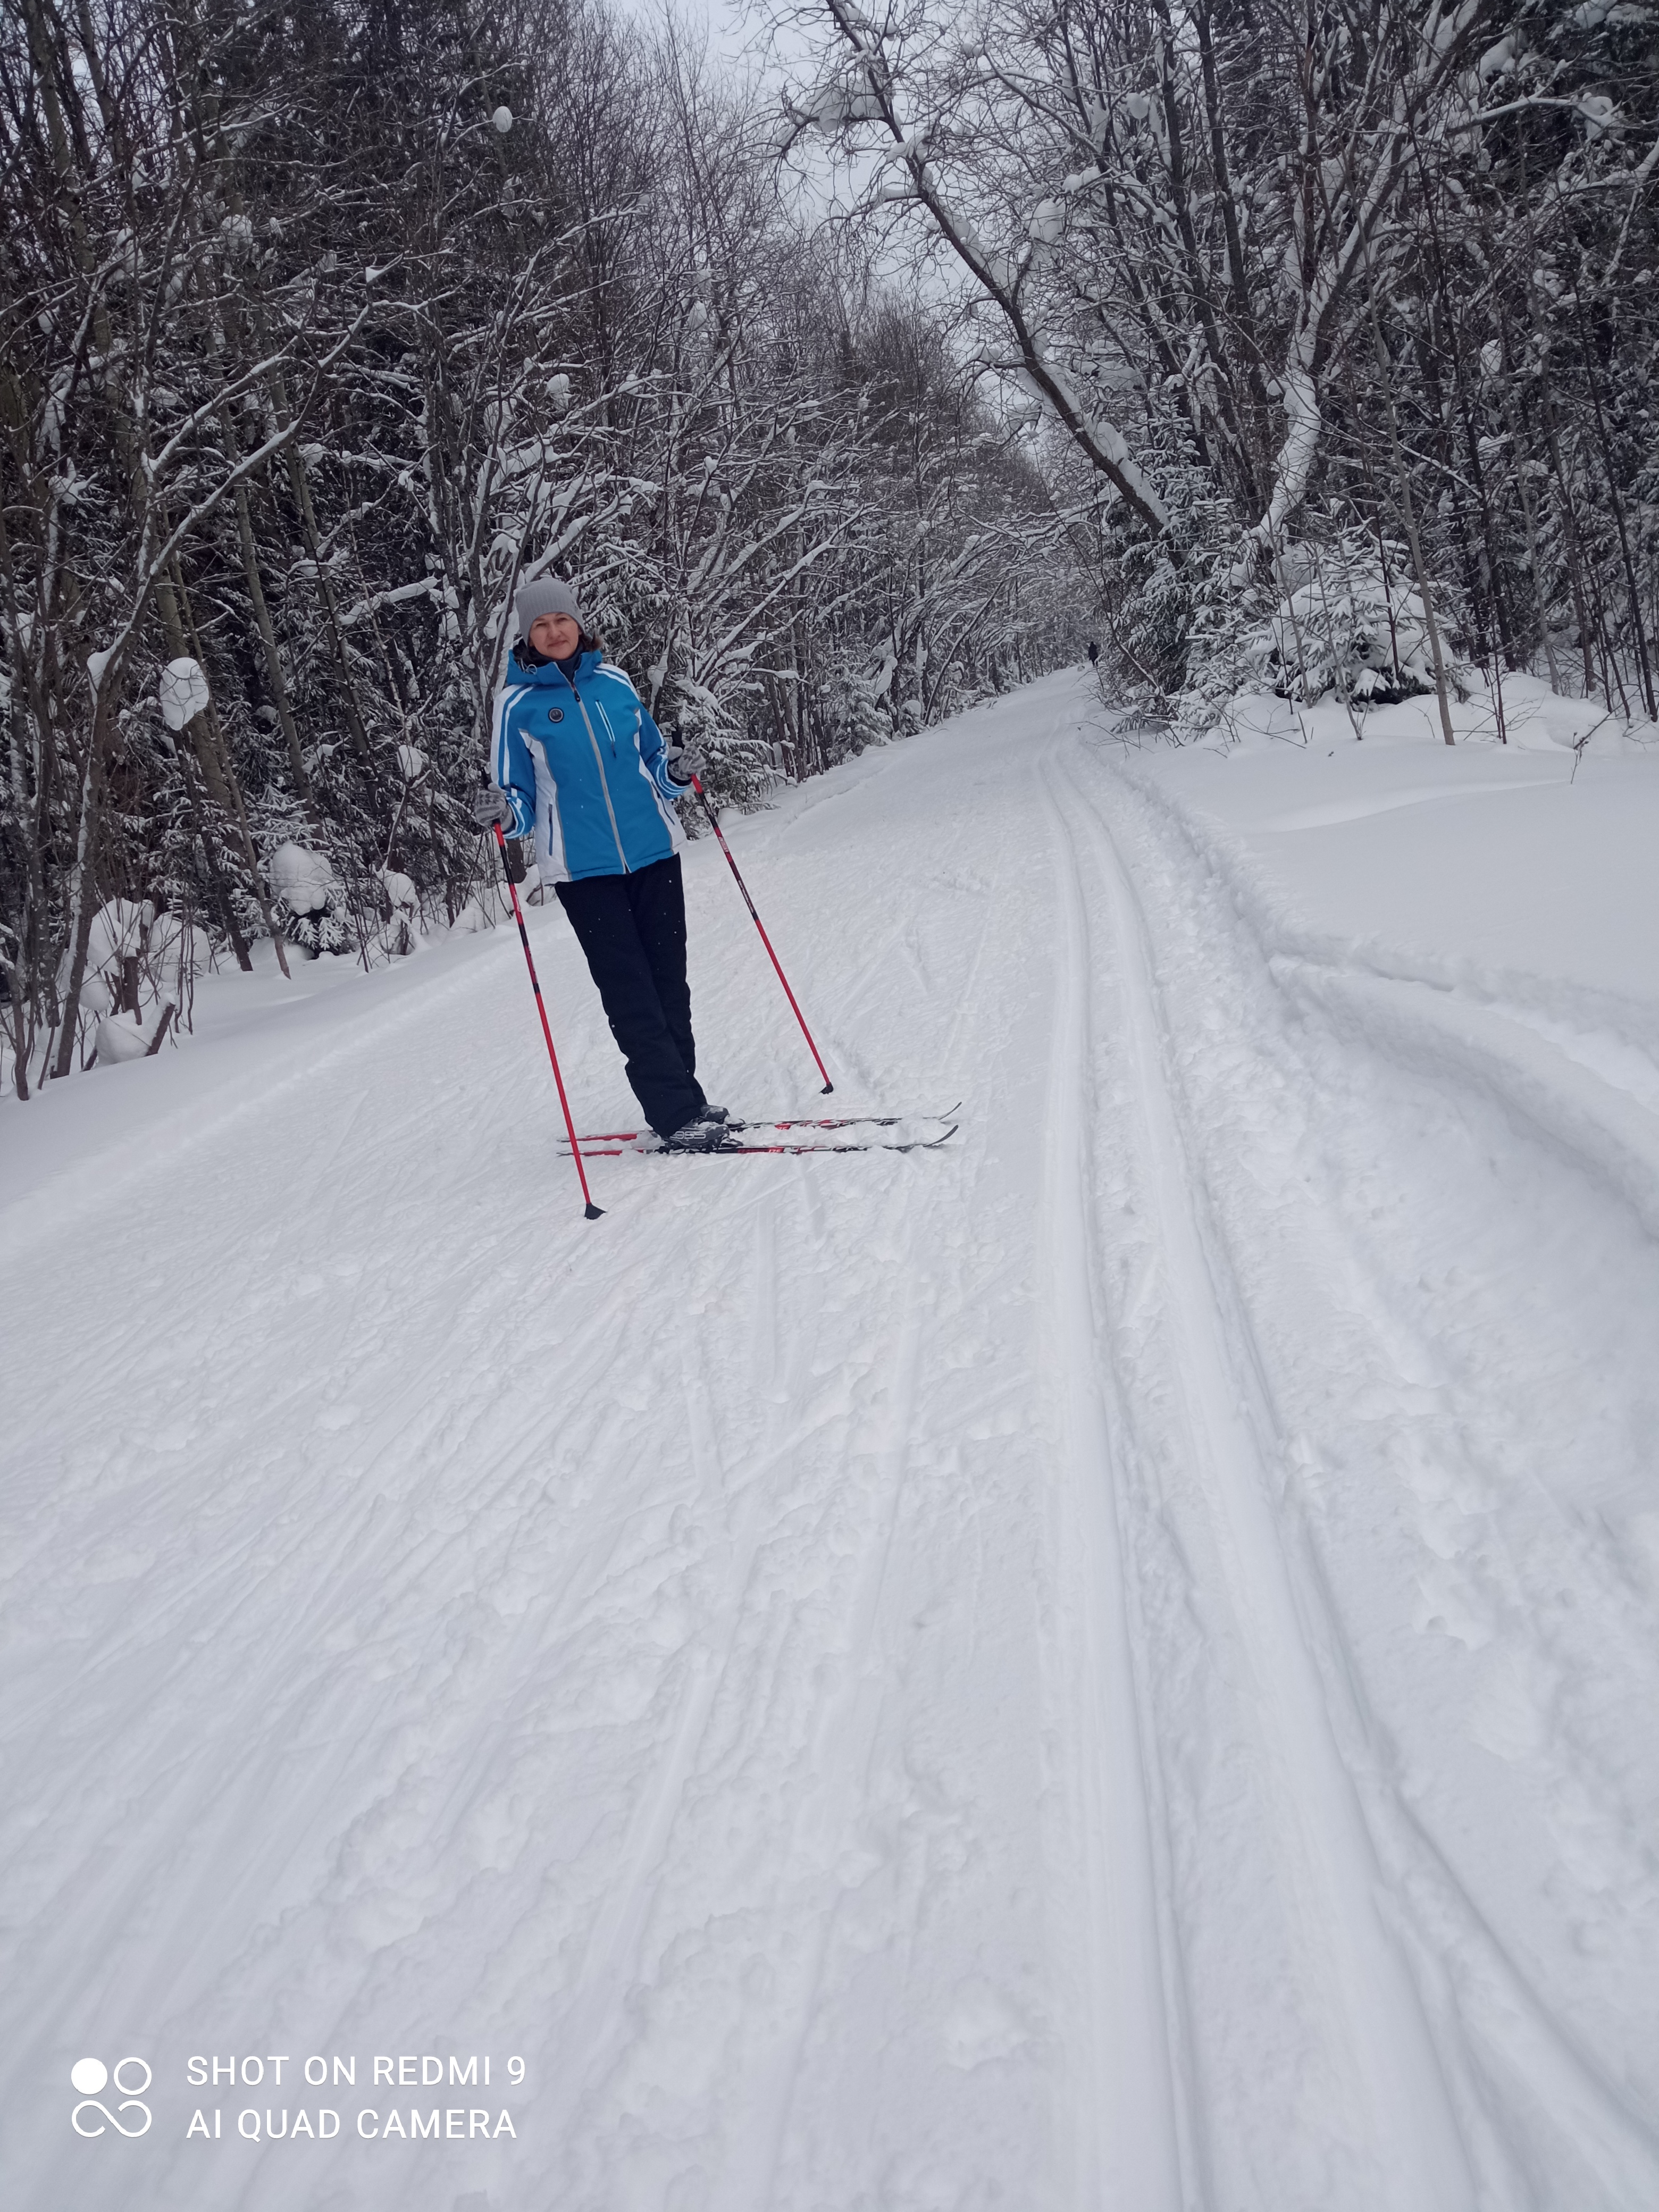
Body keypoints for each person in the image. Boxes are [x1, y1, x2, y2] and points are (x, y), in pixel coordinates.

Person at [474, 577, 729, 1150]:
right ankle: (674, 1114)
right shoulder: (515, 706)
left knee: (669, 984)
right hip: (584, 871)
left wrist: (679, 771)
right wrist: (501, 813)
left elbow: (654, 764)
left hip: (654, 853)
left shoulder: (614, 682)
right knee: (630, 990)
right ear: (528, 637)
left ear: (578, 623)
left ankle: (685, 1095)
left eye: (560, 620)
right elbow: (516, 798)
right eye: (540, 626)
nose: (554, 631)